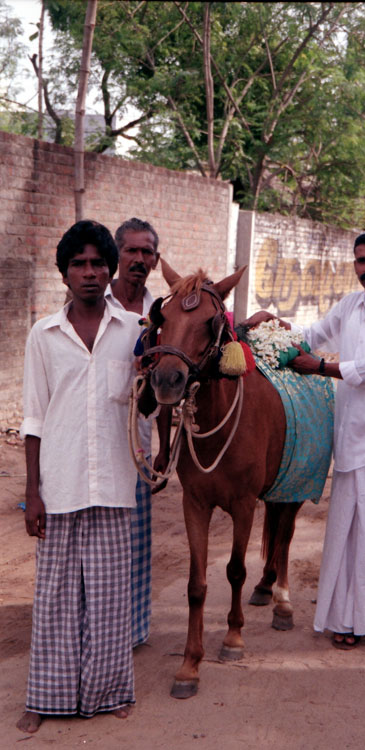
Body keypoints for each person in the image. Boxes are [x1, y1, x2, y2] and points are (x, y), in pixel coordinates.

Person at [245, 225, 365, 660]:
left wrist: (319, 367)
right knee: (346, 536)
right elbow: (310, 334)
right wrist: (275, 325)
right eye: (361, 261)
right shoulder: (350, 306)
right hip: (348, 440)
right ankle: (347, 621)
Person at [17, 221, 142, 734]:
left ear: (111, 270)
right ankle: (46, 698)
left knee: (111, 599)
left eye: (97, 264)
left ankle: (109, 691)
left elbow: (156, 397)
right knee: (55, 599)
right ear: (64, 272)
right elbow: (34, 416)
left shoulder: (134, 331)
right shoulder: (43, 335)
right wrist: (32, 493)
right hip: (60, 484)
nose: (89, 273)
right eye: (79, 264)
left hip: (114, 484)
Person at [106, 217, 169, 648]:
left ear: (156, 260)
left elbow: (166, 385)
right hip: (90, 437)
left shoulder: (158, 315)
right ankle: (90, 623)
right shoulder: (93, 302)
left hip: (137, 444)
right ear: (117, 254)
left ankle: (131, 630)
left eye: (147, 253)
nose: (139, 260)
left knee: (134, 539)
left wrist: (163, 447)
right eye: (131, 251)